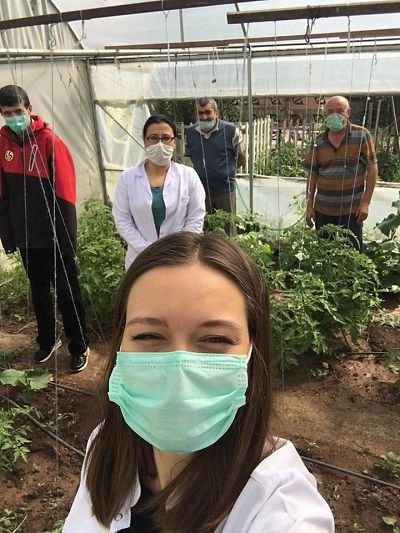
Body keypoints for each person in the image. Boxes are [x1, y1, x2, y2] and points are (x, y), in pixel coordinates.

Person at [63, 232, 335, 532]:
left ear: (251, 355)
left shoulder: (282, 508)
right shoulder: (105, 448)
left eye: (216, 339)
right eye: (148, 335)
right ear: (120, 345)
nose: (179, 371)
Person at [0, 85, 89, 373]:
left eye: (18, 111)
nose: (14, 117)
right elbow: (2, 194)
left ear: (29, 109)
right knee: (39, 292)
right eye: (7, 113)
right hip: (26, 235)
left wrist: (67, 238)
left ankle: (79, 345)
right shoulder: (2, 145)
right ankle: (48, 340)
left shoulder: (49, 141)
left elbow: (65, 193)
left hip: (53, 236)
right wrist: (8, 235)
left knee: (67, 294)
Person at [112, 114, 205, 269]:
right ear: (145, 141)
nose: (160, 144)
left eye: (166, 138)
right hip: (140, 258)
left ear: (174, 142)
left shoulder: (189, 176)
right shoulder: (127, 178)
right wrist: (148, 250)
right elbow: (122, 219)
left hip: (179, 257)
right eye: (153, 138)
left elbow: (195, 218)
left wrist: (177, 249)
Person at [304, 95, 378, 250]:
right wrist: (309, 206)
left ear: (348, 113)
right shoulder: (318, 141)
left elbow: (372, 169)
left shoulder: (362, 135)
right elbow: (312, 175)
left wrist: (365, 203)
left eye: (339, 111)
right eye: (330, 111)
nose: (334, 115)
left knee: (351, 253)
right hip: (323, 210)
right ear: (324, 115)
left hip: (351, 211)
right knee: (325, 253)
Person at [185, 97, 246, 216]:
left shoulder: (231, 131)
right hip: (200, 190)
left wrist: (226, 171)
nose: (204, 117)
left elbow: (242, 157)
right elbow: (191, 157)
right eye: (200, 113)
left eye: (208, 112)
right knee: (204, 224)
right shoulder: (191, 133)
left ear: (216, 112)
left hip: (225, 190)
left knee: (227, 224)